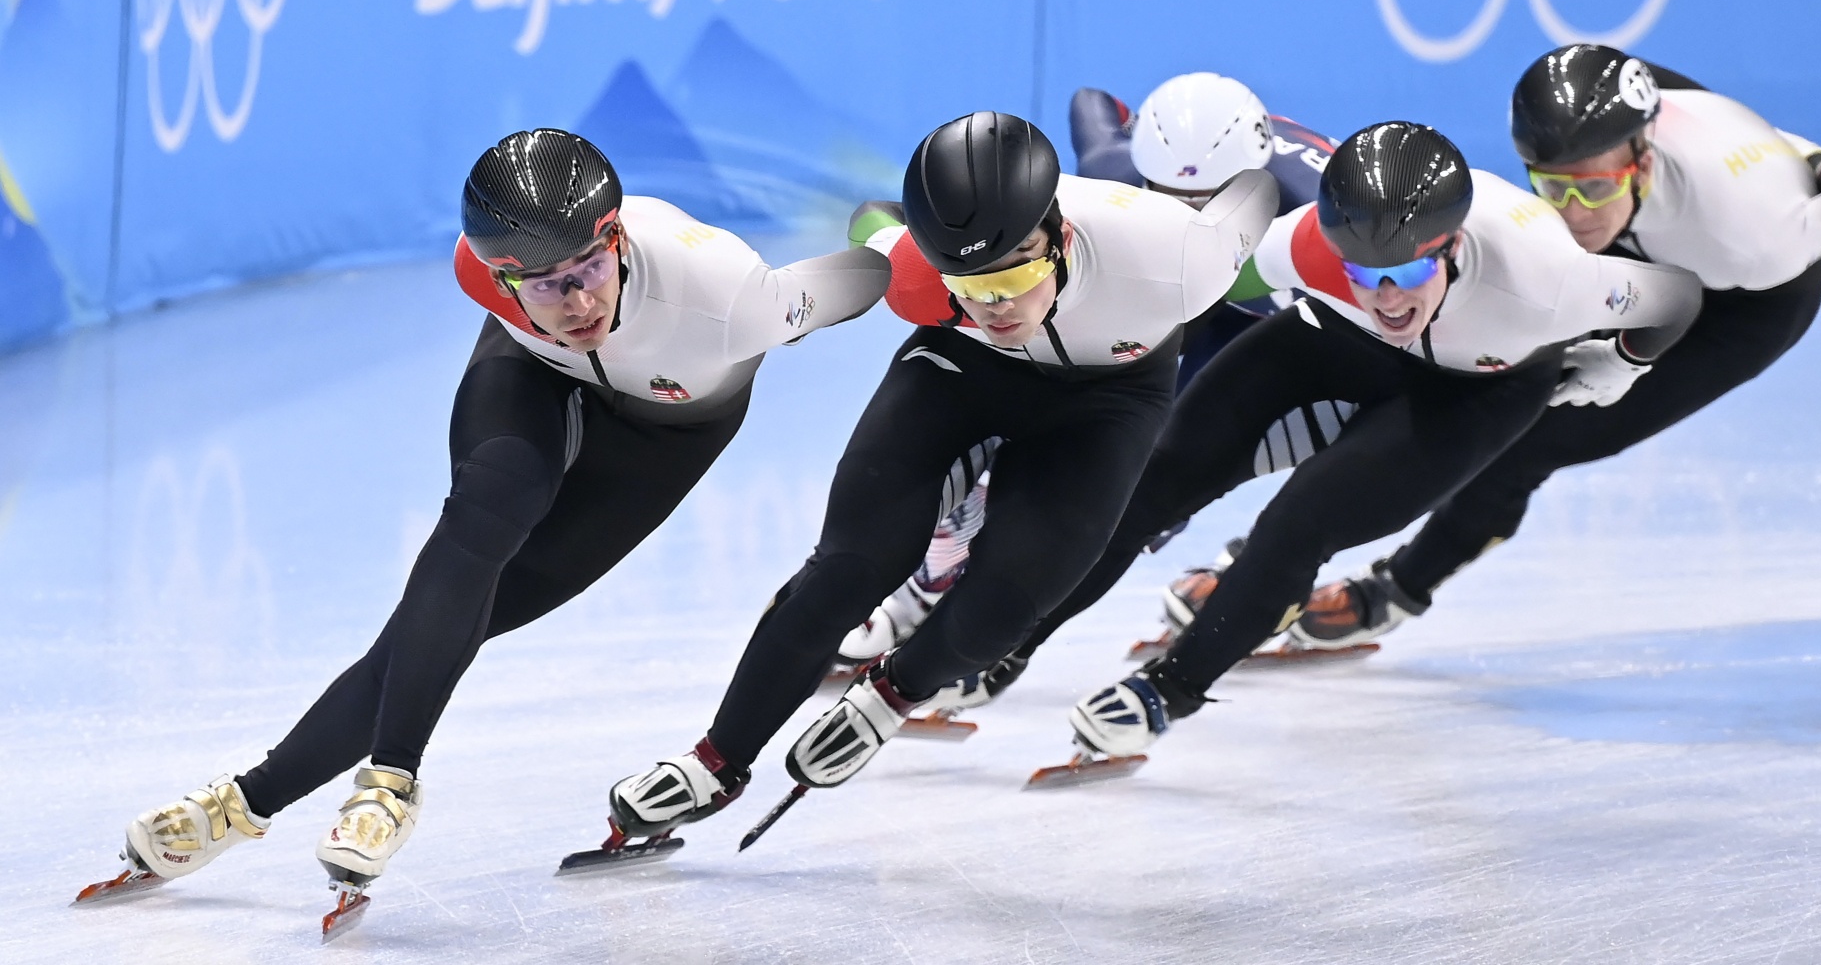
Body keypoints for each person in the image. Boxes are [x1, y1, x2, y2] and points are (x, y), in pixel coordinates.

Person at [94, 130, 890, 908]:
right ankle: (387, 784)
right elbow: (547, 317)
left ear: (614, 239)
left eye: (587, 269)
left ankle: (247, 800)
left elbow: (857, 278)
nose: (577, 301)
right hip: (532, 376)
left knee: (454, 626)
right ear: (499, 276)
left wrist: (896, 242)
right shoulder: (480, 275)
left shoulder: (727, 295)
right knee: (487, 509)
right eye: (543, 285)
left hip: (665, 432)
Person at [602, 111, 1278, 839]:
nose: (997, 306)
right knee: (845, 570)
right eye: (970, 284)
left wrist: (889, 700)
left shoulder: (1176, 257)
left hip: (1109, 401)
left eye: (1016, 275)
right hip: (964, 372)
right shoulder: (923, 280)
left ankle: (892, 692)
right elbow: (873, 221)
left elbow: (1257, 192)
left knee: (1007, 606)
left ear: (1062, 239)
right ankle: (715, 762)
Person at [1033, 121, 1705, 763]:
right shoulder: (1310, 245)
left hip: (1482, 387)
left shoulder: (1548, 281)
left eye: (1408, 275)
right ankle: (1002, 641)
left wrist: (1625, 361)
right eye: (1364, 271)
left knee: (1297, 526)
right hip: (1354, 346)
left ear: (1452, 248)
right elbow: (1192, 283)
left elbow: (1676, 295)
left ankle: (1166, 693)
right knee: (1159, 475)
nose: (1387, 296)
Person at [1290, 45, 1821, 651]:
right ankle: (1285, 542)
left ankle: (1393, 591)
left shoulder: (1758, 235)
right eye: (1553, 187)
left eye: (1595, 188)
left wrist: (1815, 168)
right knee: (1460, 351)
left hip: (1745, 305)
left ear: (1643, 161)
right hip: (1643, 240)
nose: (1573, 214)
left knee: (1529, 438)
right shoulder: (1607, 112)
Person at [834, 73, 1342, 675]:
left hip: (1257, 315)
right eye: (1169, 198)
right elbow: (1090, 104)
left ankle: (1229, 561)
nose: (1186, 221)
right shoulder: (1112, 171)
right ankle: (933, 577)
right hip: (1172, 299)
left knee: (1167, 466)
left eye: (1206, 205)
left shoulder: (1321, 220)